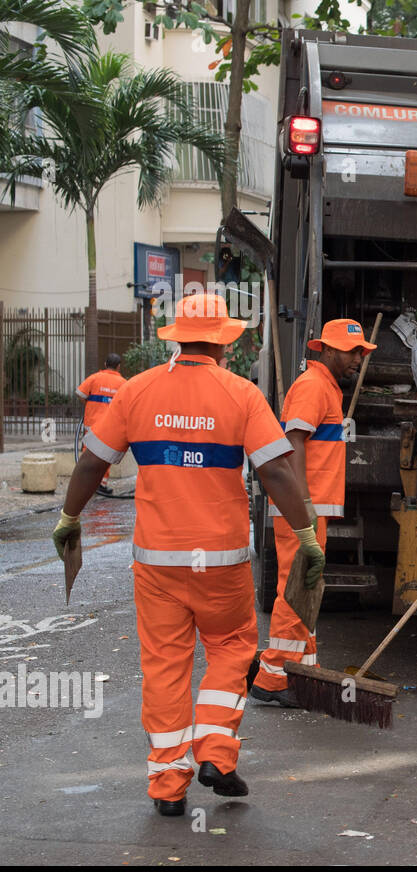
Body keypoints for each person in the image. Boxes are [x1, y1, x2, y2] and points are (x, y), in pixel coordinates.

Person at [51, 294, 324, 817]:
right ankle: (217, 754)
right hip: (222, 562)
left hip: (158, 564)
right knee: (233, 648)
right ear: (226, 339)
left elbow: (91, 463)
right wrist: (306, 533)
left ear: (176, 336)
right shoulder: (241, 393)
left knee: (164, 667)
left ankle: (167, 786)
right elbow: (276, 473)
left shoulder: (137, 391)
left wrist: (69, 518)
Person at [251, 319, 375, 707]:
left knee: (306, 588)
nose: (359, 359)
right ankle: (273, 676)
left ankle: (302, 672)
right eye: (353, 351)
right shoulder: (313, 386)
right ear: (327, 349)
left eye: (361, 352)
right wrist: (302, 505)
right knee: (298, 588)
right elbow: (293, 444)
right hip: (301, 509)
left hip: (307, 508)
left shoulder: (324, 386)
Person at [75, 354, 125, 492]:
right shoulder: (123, 383)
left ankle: (84, 484)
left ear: (105, 363)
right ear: (119, 366)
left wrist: (89, 404)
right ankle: (101, 484)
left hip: (91, 423)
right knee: (106, 454)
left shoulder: (95, 377)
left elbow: (80, 393)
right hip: (109, 426)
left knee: (88, 454)